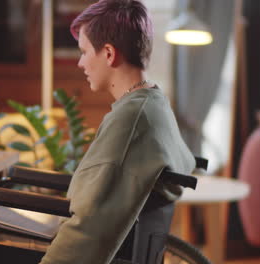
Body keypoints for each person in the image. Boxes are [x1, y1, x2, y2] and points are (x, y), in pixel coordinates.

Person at [38, 0, 195, 263]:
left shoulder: (130, 121)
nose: (80, 63)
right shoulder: (153, 102)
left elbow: (91, 222)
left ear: (109, 54)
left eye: (84, 52)